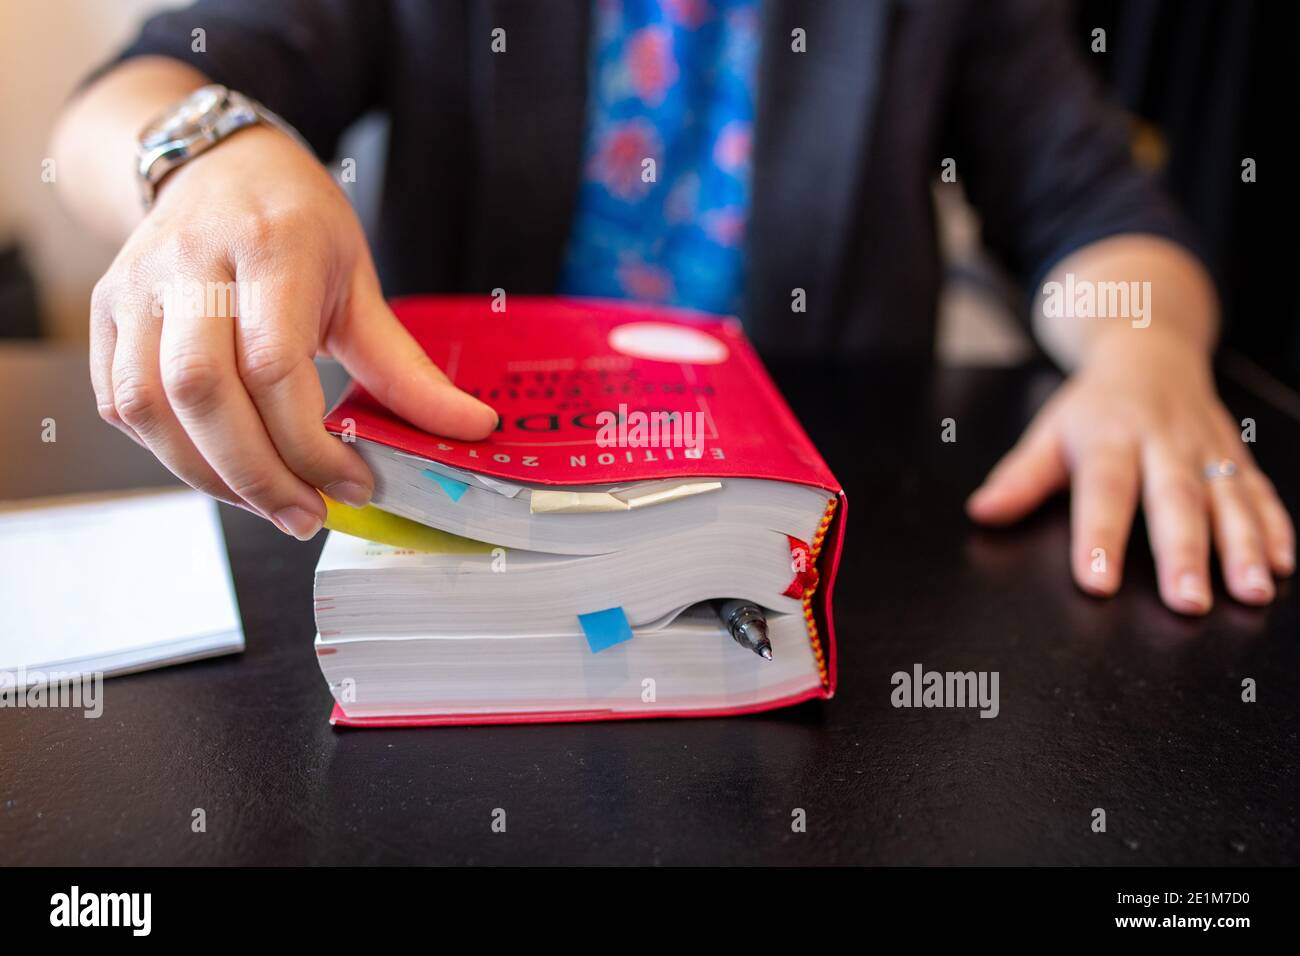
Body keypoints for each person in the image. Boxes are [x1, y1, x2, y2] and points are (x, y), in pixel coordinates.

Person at [51, 0, 1293, 616]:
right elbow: (139, 89)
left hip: (807, 568)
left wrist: (1144, 353)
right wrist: (208, 156)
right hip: (464, 538)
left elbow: (1096, 212)